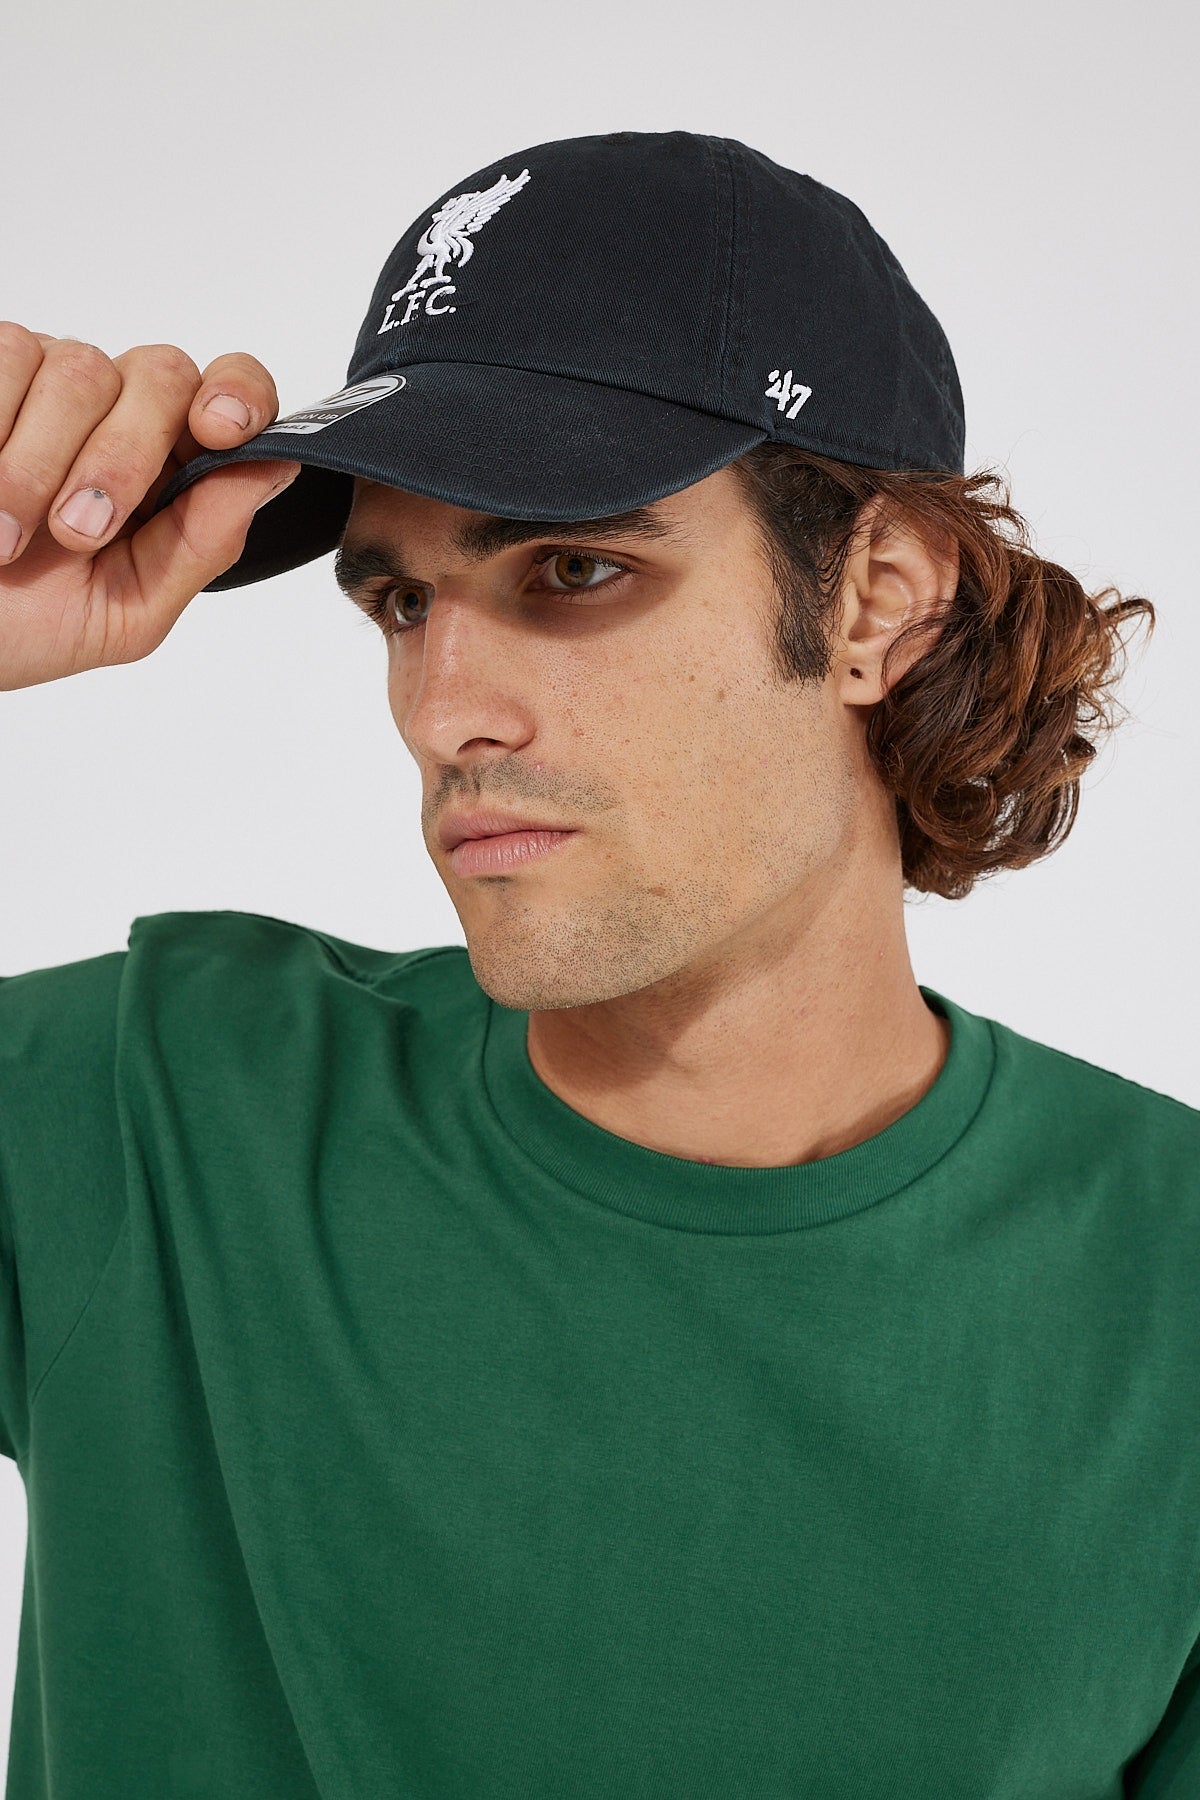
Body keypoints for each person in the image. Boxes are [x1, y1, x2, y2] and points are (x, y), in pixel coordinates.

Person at [0, 130, 1194, 1799]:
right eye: (401, 603)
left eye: (573, 569)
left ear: (879, 604)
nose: (444, 713)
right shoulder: (149, 1111)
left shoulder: (1168, 1295)